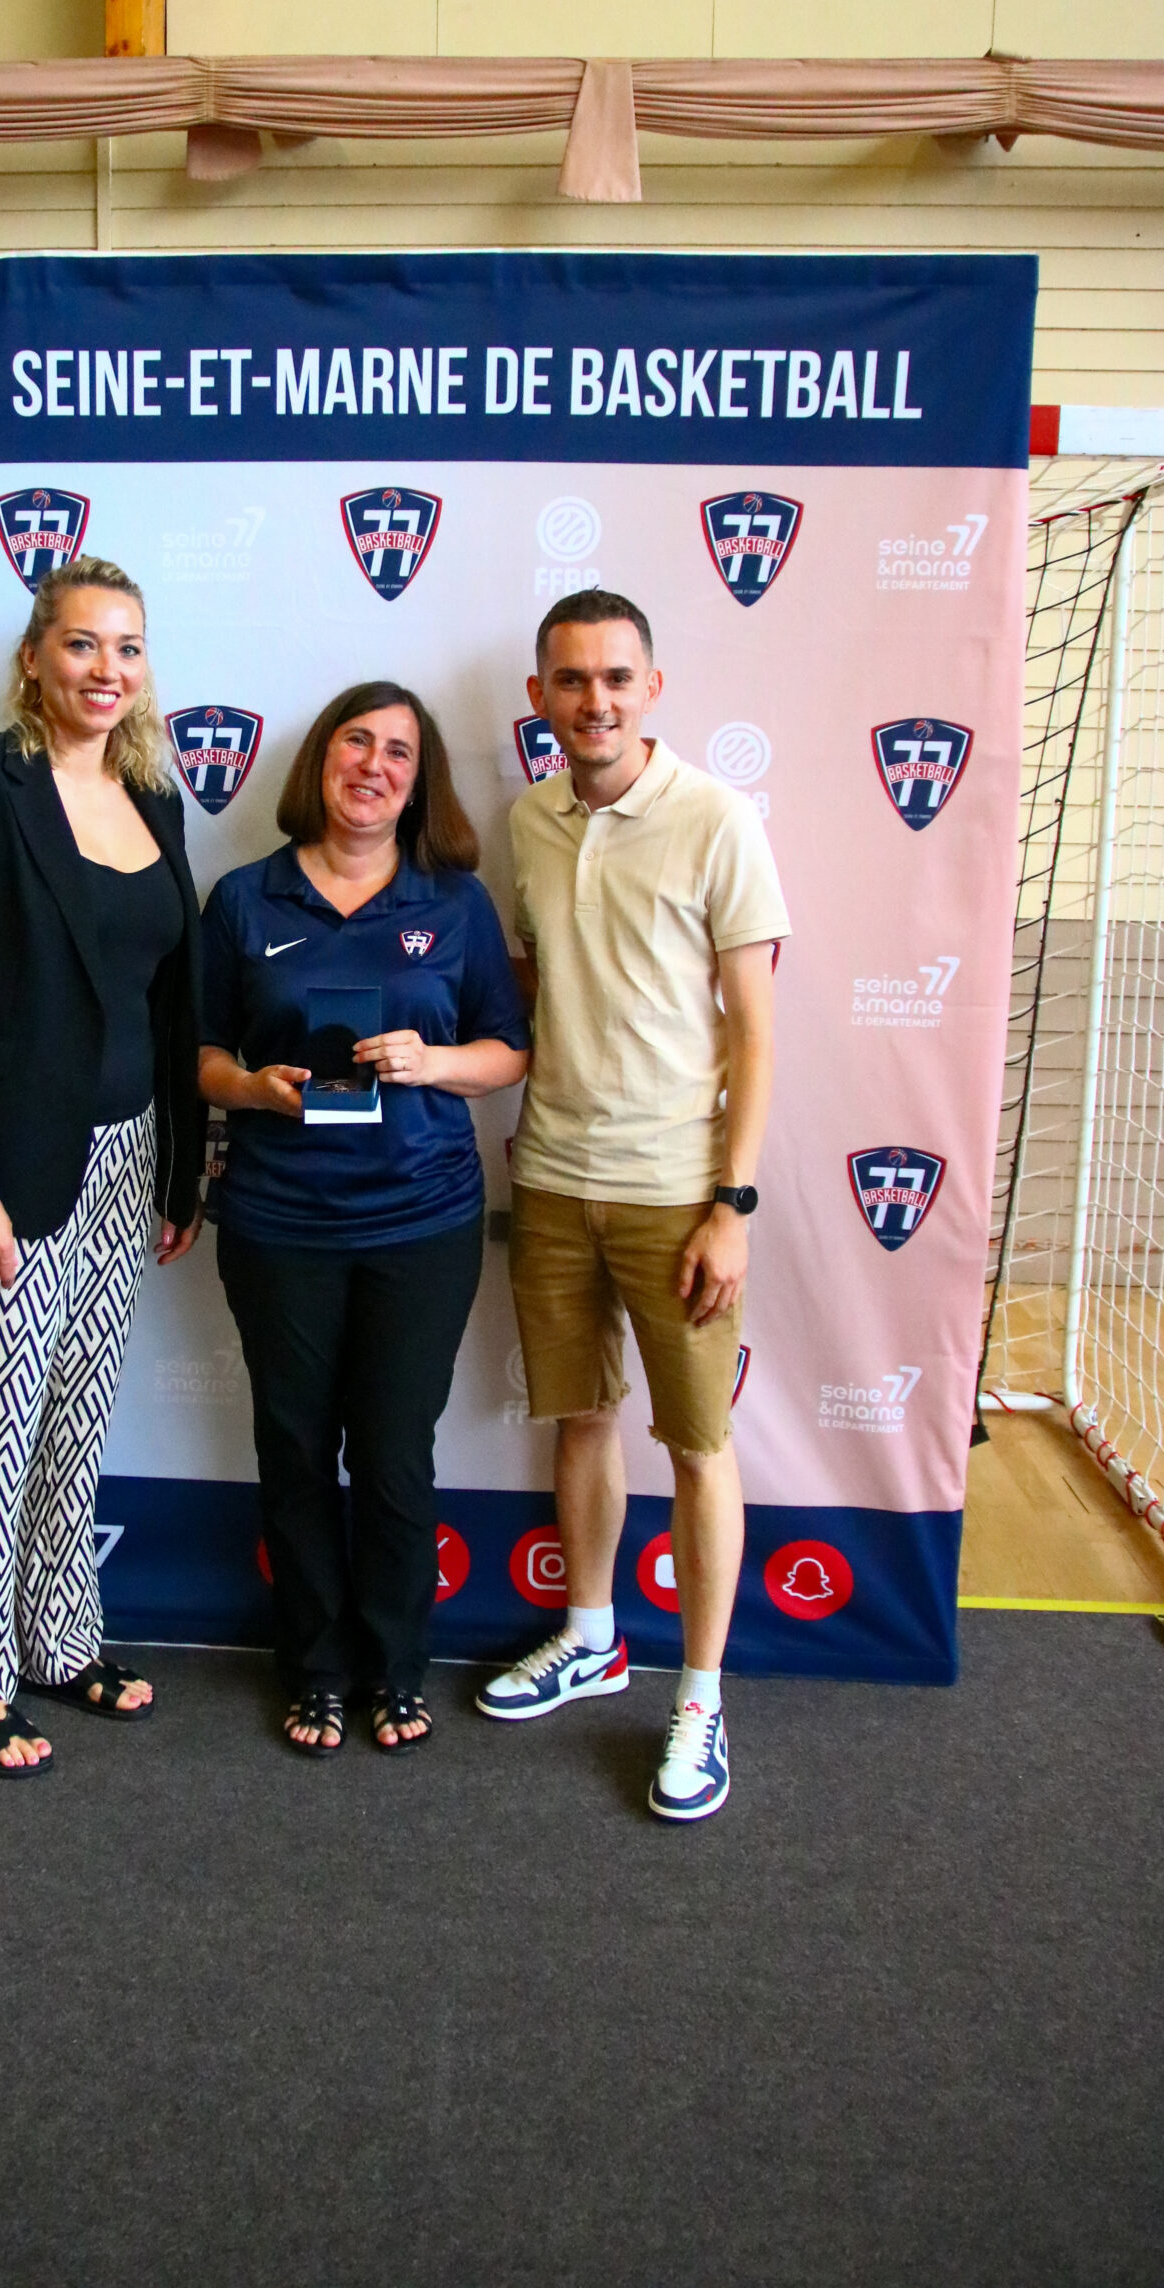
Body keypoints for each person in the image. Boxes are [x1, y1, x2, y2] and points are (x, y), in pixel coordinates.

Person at [0, 557, 204, 1776]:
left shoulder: (154, 796)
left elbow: (167, 1001)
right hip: (0, 1162)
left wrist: (178, 1172)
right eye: (81, 644)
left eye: (128, 647)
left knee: (74, 1410)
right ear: (32, 657)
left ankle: (58, 1637)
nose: (108, 669)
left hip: (123, 1154)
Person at [476, 589, 788, 1824]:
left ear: (652, 687)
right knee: (583, 1421)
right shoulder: (528, 820)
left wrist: (734, 1203)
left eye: (616, 677)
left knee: (699, 1447)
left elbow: (756, 1030)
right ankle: (593, 1635)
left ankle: (701, 1699)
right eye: (570, 679)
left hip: (678, 1193)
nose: (593, 700)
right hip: (554, 1177)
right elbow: (534, 987)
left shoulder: (717, 818)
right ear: (539, 698)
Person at [199, 683, 530, 1757]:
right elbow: (201, 1056)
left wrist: (433, 1062)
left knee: (392, 1455)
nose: (374, 766)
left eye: (399, 752)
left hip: (420, 1223)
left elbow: (508, 1052)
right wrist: (255, 1090)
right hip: (279, 1220)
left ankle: (394, 1668)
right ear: (321, 759)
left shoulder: (456, 903)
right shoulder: (244, 898)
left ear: (419, 782)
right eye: (357, 742)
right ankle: (314, 1670)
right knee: (296, 1449)